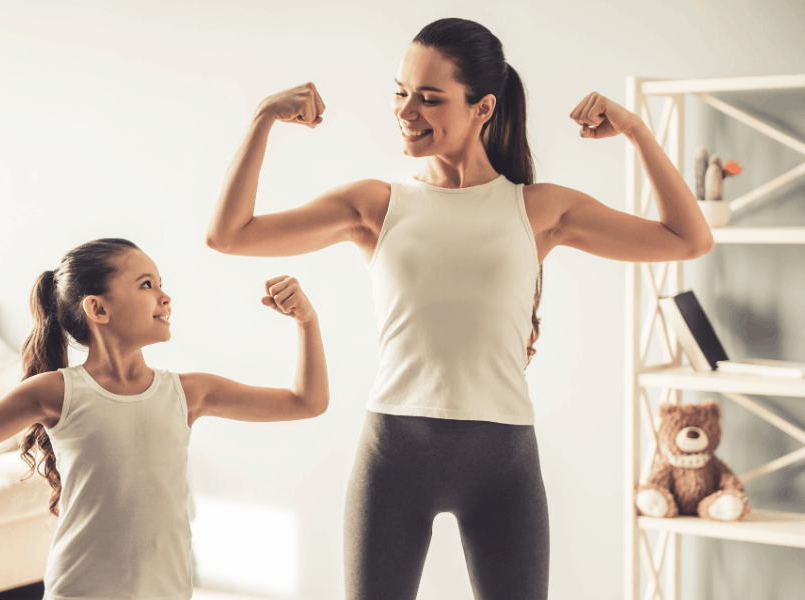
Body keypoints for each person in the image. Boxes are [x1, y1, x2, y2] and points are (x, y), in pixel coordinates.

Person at [206, 16, 713, 600]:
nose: (406, 110)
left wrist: (634, 129)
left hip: (504, 468)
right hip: (392, 459)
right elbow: (229, 234)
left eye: (428, 97)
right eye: (400, 92)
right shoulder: (375, 205)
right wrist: (263, 118)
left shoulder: (538, 209)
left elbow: (687, 239)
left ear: (482, 108)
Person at [0, 238, 329, 600]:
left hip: (168, 592)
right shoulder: (56, 392)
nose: (165, 297)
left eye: (161, 284)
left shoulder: (189, 392)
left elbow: (306, 401)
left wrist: (307, 321)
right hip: (79, 592)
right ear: (98, 308)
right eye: (147, 285)